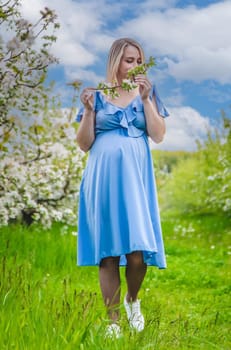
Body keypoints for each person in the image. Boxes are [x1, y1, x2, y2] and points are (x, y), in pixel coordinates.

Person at [75, 37, 169, 338]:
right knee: (108, 253)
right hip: (102, 178)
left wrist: (145, 100)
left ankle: (132, 300)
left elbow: (158, 136)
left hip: (136, 179)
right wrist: (89, 111)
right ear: (115, 61)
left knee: (138, 252)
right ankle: (113, 321)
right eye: (129, 60)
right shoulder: (97, 96)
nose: (134, 66)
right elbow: (83, 144)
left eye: (138, 60)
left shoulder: (148, 93)